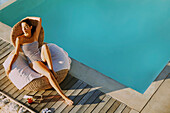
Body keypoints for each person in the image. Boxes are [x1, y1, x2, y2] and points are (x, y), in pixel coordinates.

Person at [6, 16, 73, 106]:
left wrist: (27, 18)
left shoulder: (35, 36)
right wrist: (9, 67)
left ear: (30, 27)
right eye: (23, 28)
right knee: (49, 74)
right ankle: (64, 97)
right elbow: (16, 54)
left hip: (41, 57)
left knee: (45, 46)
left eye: (26, 27)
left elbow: (39, 19)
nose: (24, 29)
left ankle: (52, 69)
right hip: (33, 62)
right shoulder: (20, 39)